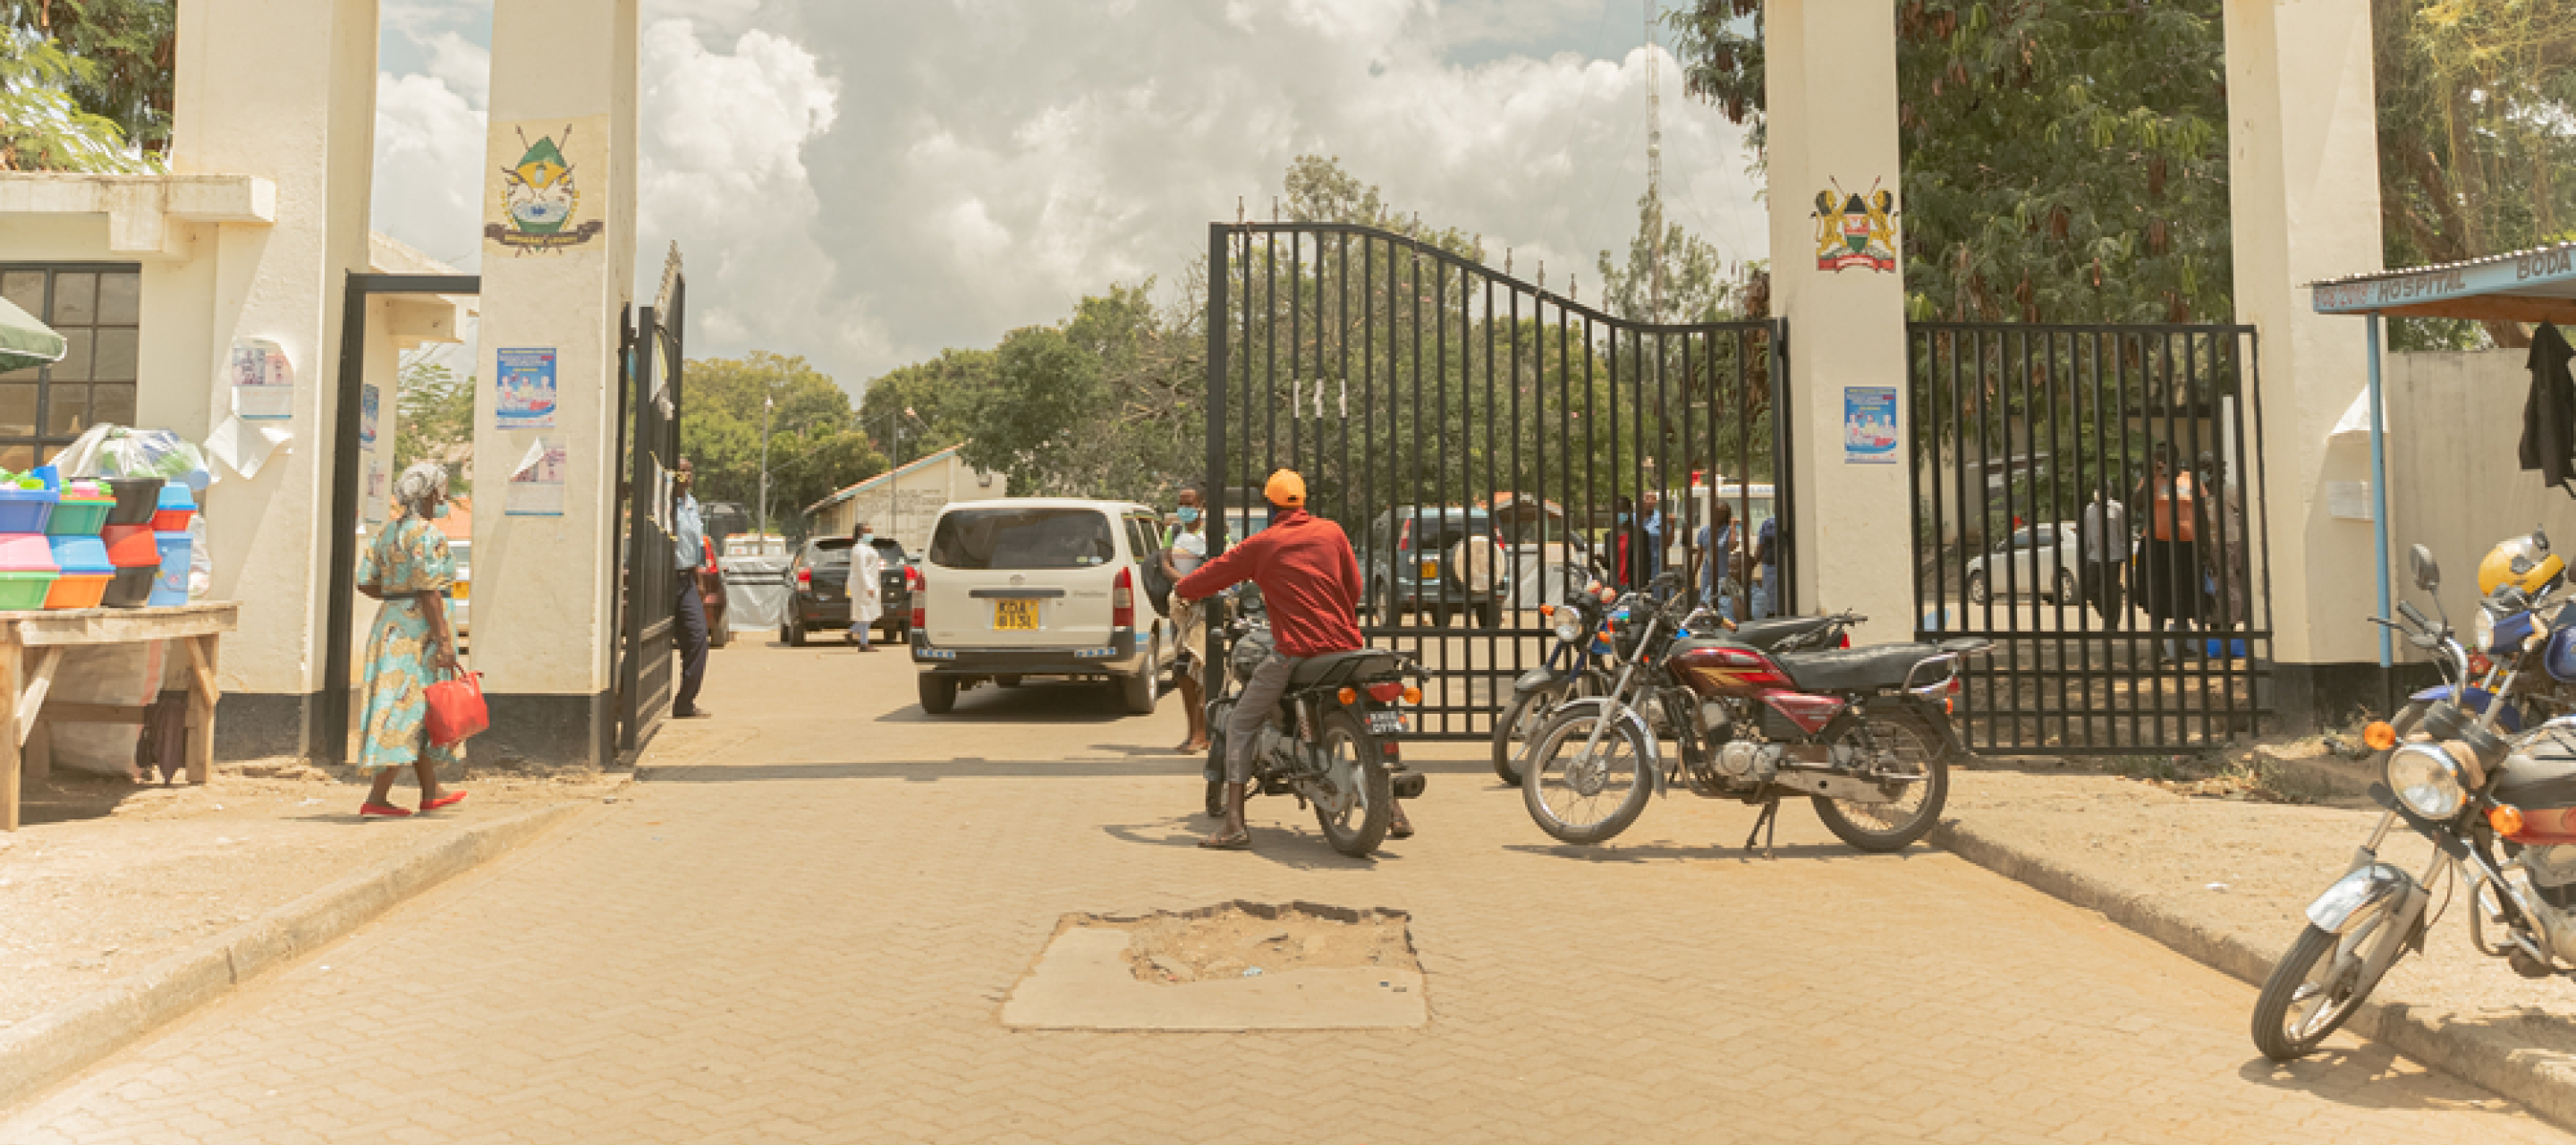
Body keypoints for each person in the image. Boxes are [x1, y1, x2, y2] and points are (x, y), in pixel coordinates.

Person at [1176, 469, 1411, 850]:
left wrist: (1182, 588)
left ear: (1270, 506)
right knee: (1368, 721)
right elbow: (1354, 587)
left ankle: (1234, 824)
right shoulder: (1332, 532)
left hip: (1297, 652)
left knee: (1240, 722)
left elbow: (1207, 577)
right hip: (1347, 649)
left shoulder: (1263, 544)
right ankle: (1394, 810)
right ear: (1302, 502)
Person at [352, 462, 468, 818]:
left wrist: (396, 599)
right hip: (419, 635)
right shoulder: (428, 535)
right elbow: (430, 591)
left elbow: (365, 581)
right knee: (406, 708)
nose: (444, 496)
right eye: (441, 489)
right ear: (431, 493)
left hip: (390, 626)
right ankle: (376, 798)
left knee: (415, 706)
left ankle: (431, 791)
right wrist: (445, 642)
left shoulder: (386, 533)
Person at [2128, 445, 2209, 663]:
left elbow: (2201, 516)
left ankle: (2182, 646)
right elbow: (2137, 505)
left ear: (2175, 458)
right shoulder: (2150, 481)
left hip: (2186, 546)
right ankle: (2158, 650)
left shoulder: (2191, 481)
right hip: (2156, 546)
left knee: (2184, 599)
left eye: (2165, 457)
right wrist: (2152, 477)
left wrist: (2207, 548)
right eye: (2158, 457)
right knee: (2157, 600)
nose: (2162, 461)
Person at [1164, 486, 1215, 758]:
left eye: (1190, 503)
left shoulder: (1213, 532)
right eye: (1181, 503)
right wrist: (1183, 583)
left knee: (1203, 670)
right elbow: (1164, 562)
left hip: (1205, 609)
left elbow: (1221, 562)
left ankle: (1202, 733)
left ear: (1201, 505)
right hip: (1181, 609)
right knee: (1182, 672)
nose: (1185, 508)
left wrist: (1197, 586)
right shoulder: (1172, 532)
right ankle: (1193, 730)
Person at [673, 458, 712, 717]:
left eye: (690, 470)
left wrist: (699, 580)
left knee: (698, 638)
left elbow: (698, 544)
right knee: (649, 641)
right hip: (663, 578)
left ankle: (685, 702)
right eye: (682, 471)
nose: (687, 475)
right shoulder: (663, 504)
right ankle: (623, 698)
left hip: (687, 579)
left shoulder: (692, 503)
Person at [2198, 451, 2248, 637]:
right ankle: (2214, 624)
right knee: (2211, 588)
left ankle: (2230, 626)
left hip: (2229, 544)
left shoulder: (2230, 491)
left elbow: (2244, 516)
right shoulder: (2198, 493)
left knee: (2230, 587)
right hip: (2206, 545)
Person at [2080, 484, 2127, 627]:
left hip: (2114, 556)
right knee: (2089, 587)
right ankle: (2107, 613)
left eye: (2103, 489)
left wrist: (2125, 555)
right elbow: (2087, 533)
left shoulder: (2118, 509)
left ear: (2109, 491)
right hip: (2094, 556)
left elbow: (2123, 533)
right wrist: (2085, 554)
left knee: (2112, 591)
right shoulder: (2089, 510)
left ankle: (2113, 623)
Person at [1693, 501, 1741, 620]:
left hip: (1723, 573)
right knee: (1705, 603)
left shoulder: (1728, 530)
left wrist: (1733, 526)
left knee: (1723, 603)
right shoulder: (1705, 530)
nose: (1717, 515)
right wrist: (1693, 573)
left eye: (1721, 512)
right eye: (1715, 512)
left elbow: (1732, 546)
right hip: (1708, 573)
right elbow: (1700, 554)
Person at [845, 521, 885, 651]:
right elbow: (862, 569)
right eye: (867, 531)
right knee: (865, 613)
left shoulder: (867, 547)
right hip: (863, 585)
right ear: (860, 533)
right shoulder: (859, 549)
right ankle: (863, 643)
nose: (870, 534)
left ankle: (852, 632)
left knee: (869, 613)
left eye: (871, 531)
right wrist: (869, 586)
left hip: (870, 583)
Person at [1750, 513, 1781, 620]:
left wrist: (1752, 565)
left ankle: (1771, 616)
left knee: (1769, 595)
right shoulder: (1791, 521)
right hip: (1783, 566)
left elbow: (1760, 548)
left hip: (1769, 565)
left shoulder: (1767, 524)